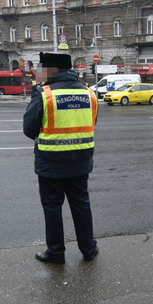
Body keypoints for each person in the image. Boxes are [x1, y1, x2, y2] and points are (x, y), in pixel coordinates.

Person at [23, 52, 99, 264]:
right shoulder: (89, 94)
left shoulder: (44, 94)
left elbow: (29, 130)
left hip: (51, 164)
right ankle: (88, 248)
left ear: (51, 70)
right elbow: (91, 124)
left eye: (42, 68)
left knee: (53, 208)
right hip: (80, 162)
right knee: (81, 205)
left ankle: (56, 253)